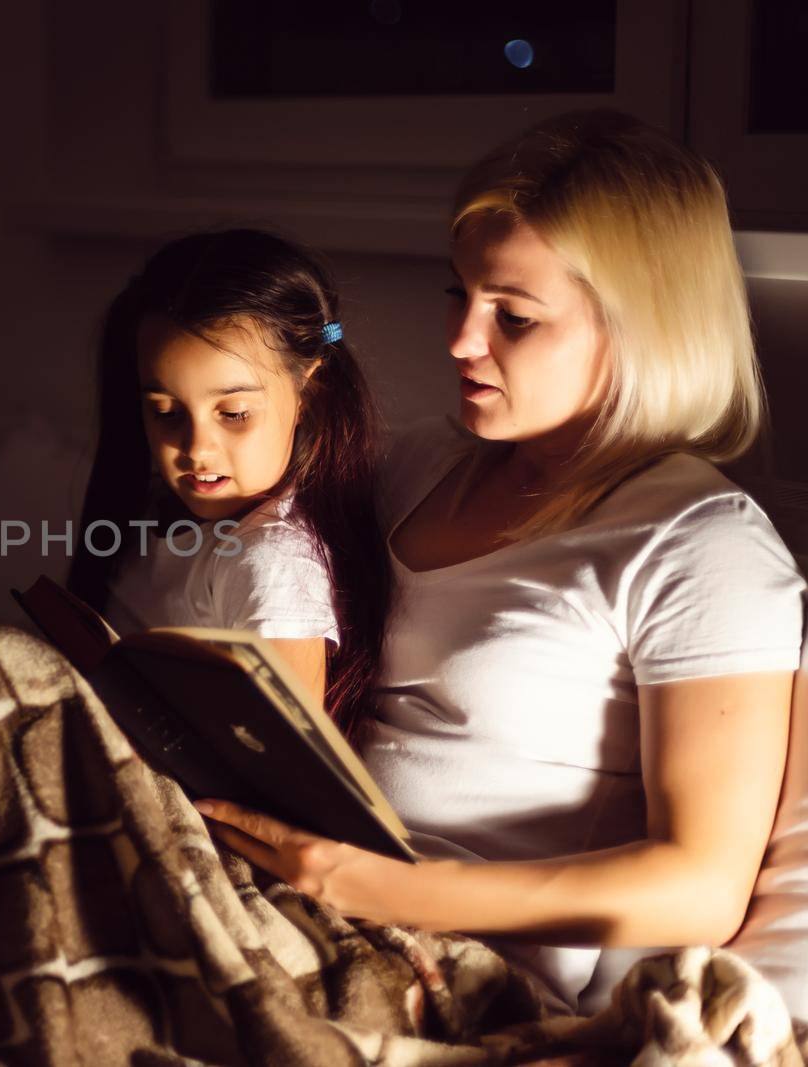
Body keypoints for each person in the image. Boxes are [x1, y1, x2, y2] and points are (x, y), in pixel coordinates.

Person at [194, 110, 806, 1015]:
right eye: (459, 294)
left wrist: (374, 887)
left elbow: (701, 889)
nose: (460, 340)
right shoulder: (415, 466)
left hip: (450, 963)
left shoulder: (699, 545)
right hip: (290, 889)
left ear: (640, 329)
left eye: (513, 315)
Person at [68, 229, 390, 740]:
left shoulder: (273, 560)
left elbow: (290, 770)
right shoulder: (158, 515)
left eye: (235, 413)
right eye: (166, 413)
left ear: (309, 389)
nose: (197, 449)